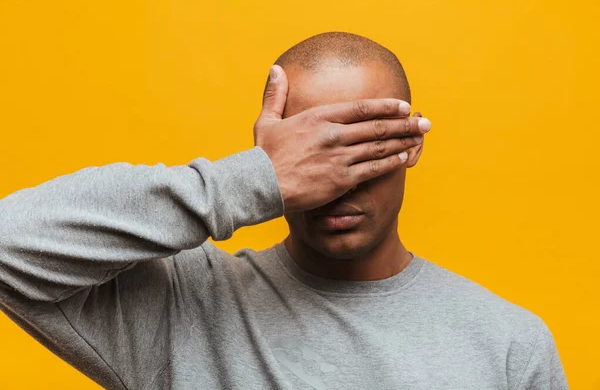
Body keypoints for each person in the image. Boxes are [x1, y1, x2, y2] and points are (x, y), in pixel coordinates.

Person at [0, 32, 567, 389]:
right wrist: (252, 181)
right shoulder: (182, 307)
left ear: (412, 145)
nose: (335, 185)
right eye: (310, 154)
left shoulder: (508, 343)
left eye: (362, 148)